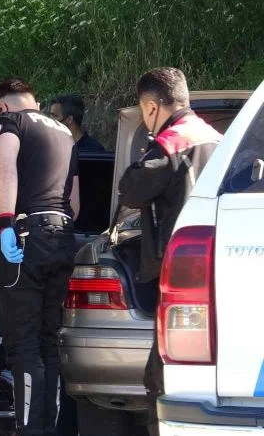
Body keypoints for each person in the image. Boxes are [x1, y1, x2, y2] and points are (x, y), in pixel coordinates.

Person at [117, 67, 221, 436]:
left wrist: (147, 149)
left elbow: (131, 190)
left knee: (162, 376)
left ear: (151, 107)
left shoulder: (172, 142)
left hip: (181, 279)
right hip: (220, 272)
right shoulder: (219, 139)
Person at [0, 77, 80, 436]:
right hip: (62, 236)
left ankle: (29, 430)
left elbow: (5, 167)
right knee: (48, 342)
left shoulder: (10, 122)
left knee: (23, 345)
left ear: (3, 106)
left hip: (27, 238)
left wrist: (5, 221)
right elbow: (74, 200)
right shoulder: (65, 132)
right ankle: (50, 429)